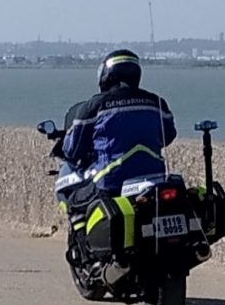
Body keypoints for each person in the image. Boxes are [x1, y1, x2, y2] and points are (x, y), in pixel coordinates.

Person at [62, 49, 176, 216]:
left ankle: (79, 242)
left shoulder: (94, 106)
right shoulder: (157, 103)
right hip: (155, 180)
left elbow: (73, 149)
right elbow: (169, 136)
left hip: (110, 183)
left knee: (72, 201)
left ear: (106, 75)